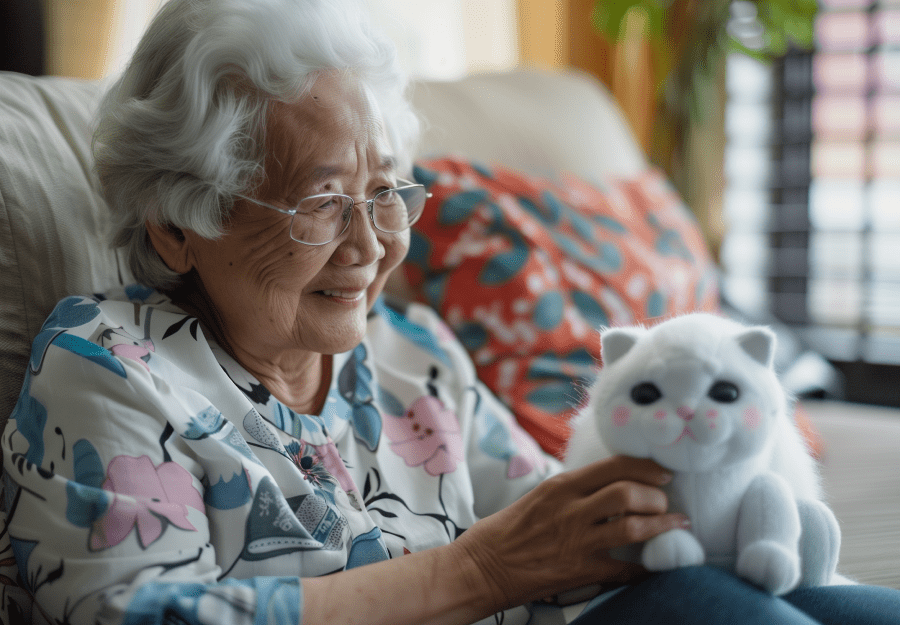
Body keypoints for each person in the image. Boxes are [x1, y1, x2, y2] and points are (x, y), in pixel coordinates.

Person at [1, 1, 899, 624]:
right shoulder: (109, 368)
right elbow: (132, 613)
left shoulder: (410, 352)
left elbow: (552, 515)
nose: (371, 246)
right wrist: (480, 570)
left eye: (387, 192)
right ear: (175, 227)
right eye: (319, 203)